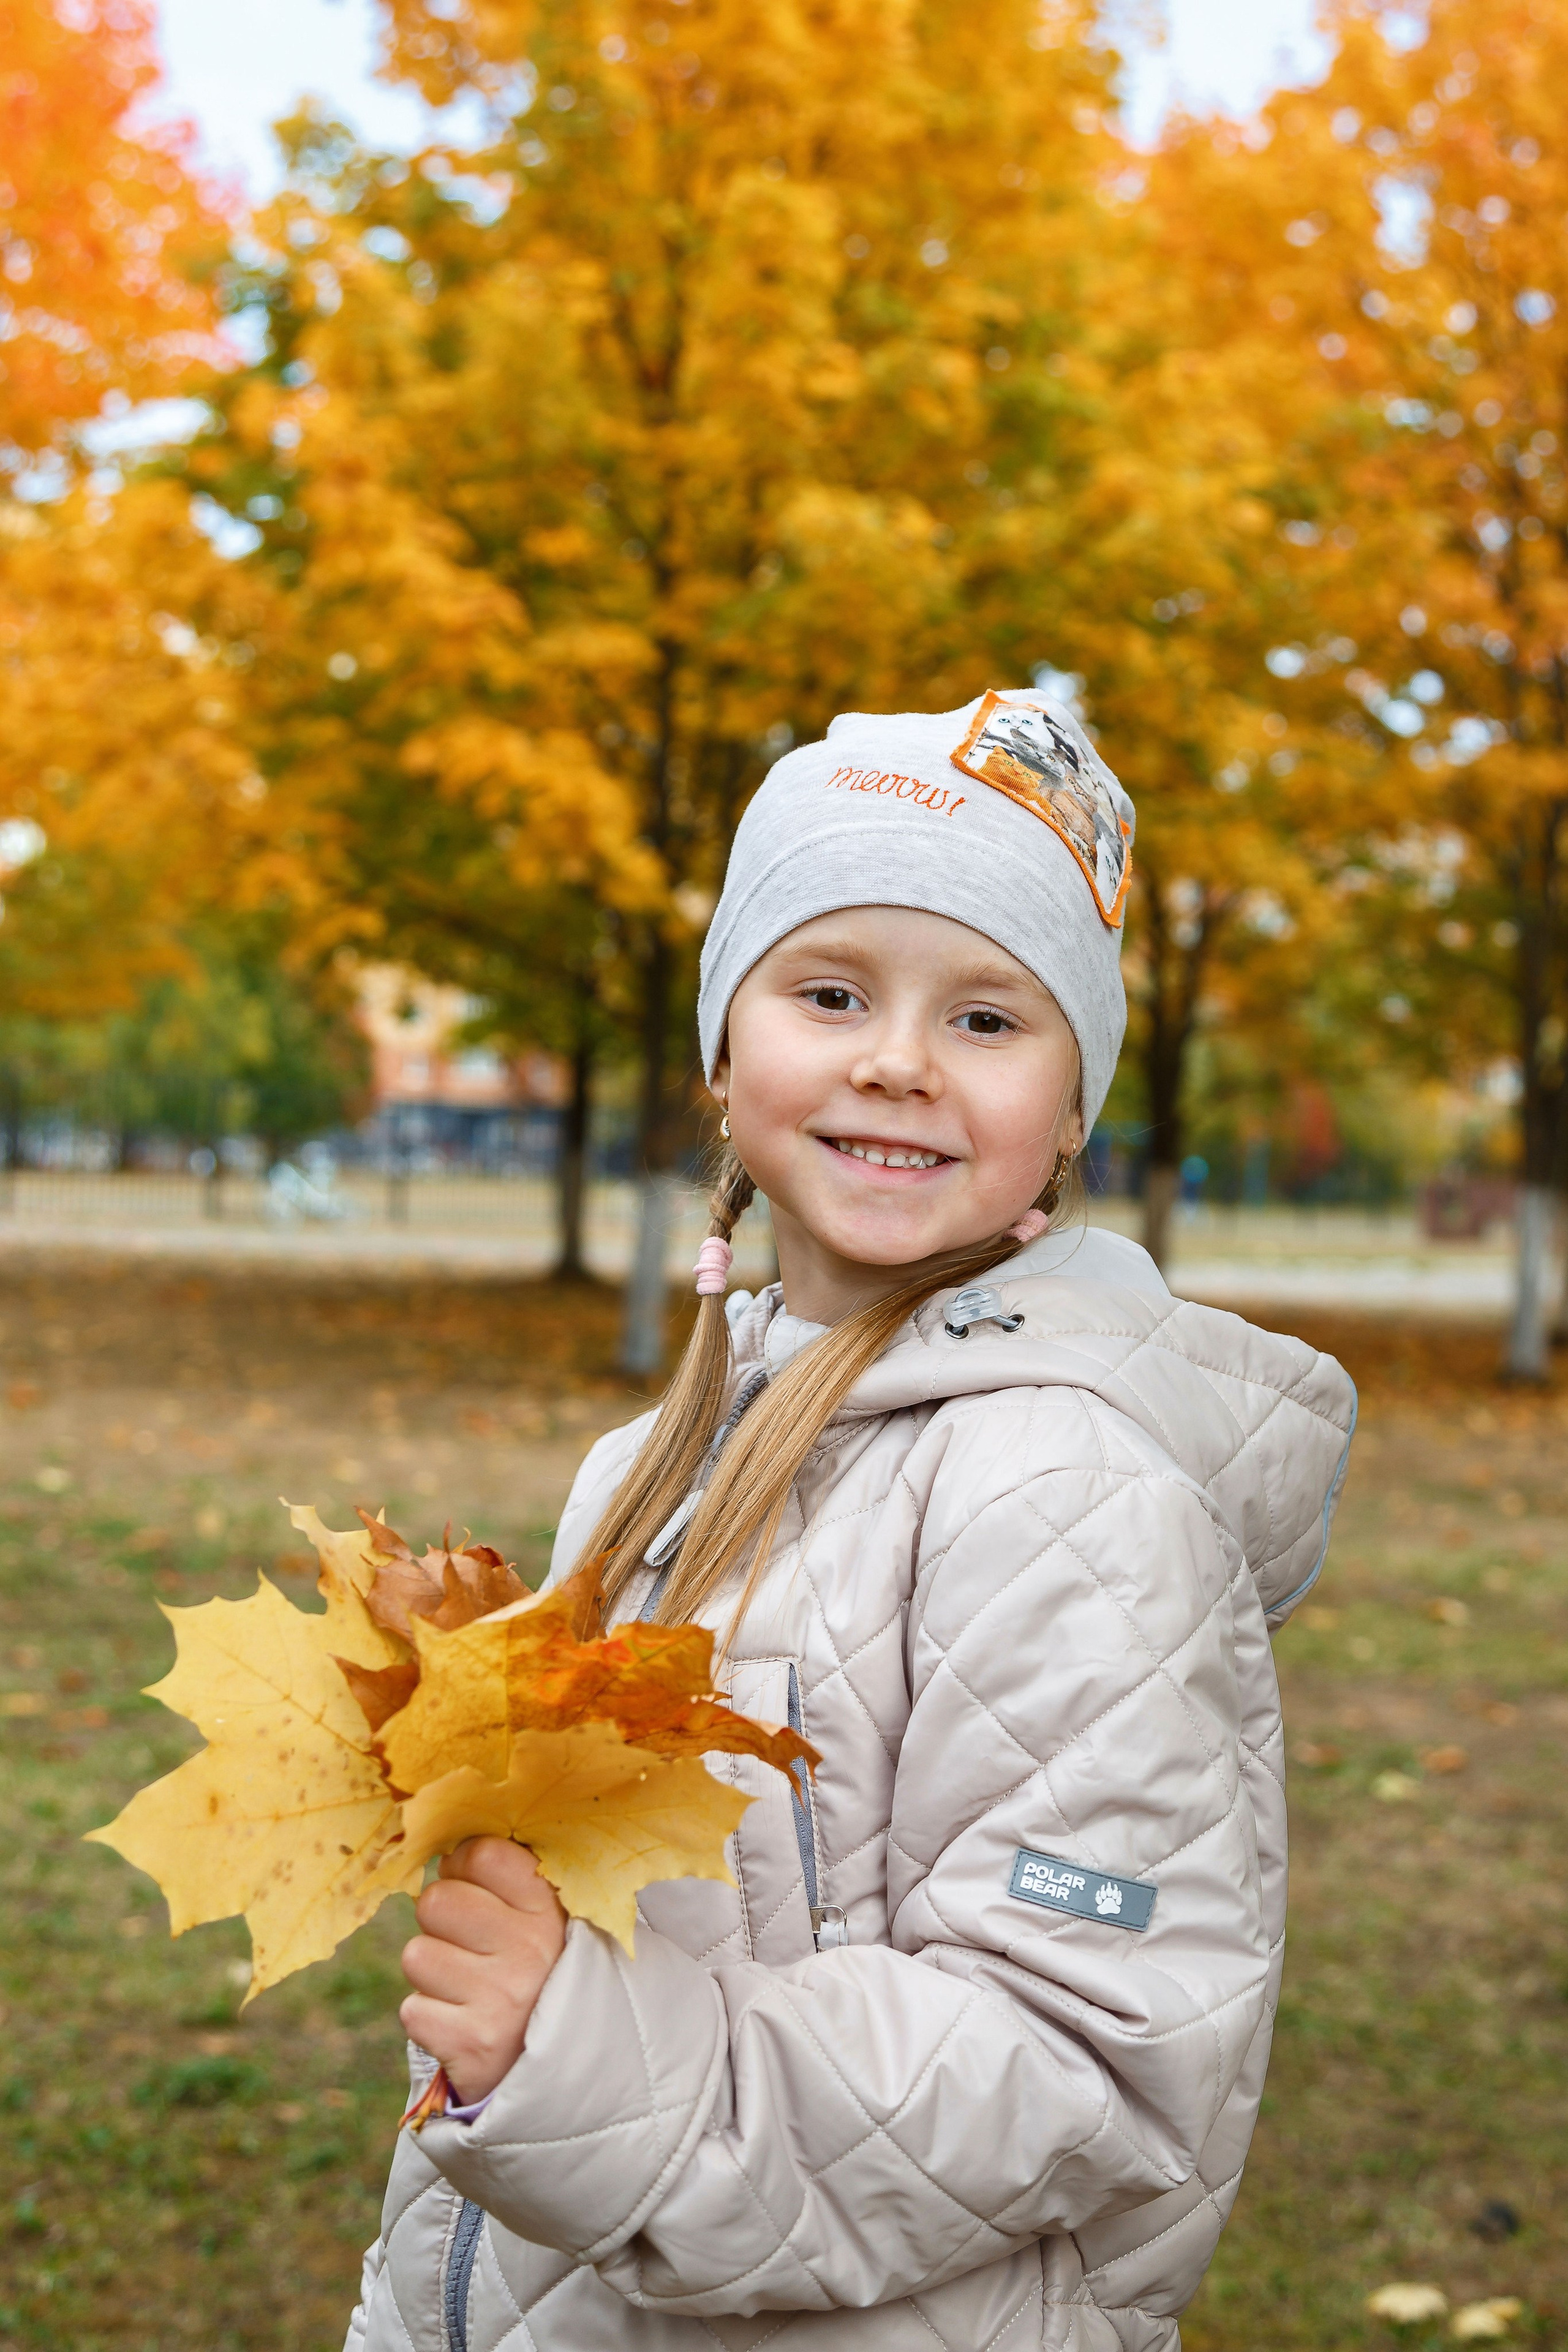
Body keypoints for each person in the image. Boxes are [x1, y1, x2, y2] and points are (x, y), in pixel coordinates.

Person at [346, 688, 1357, 2352]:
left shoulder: (1061, 1490)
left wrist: (584, 2059)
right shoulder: (653, 1459)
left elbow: (1080, 2053)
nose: (897, 1057)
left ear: (1071, 1111)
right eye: (832, 991)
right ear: (724, 1056)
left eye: (986, 1018)